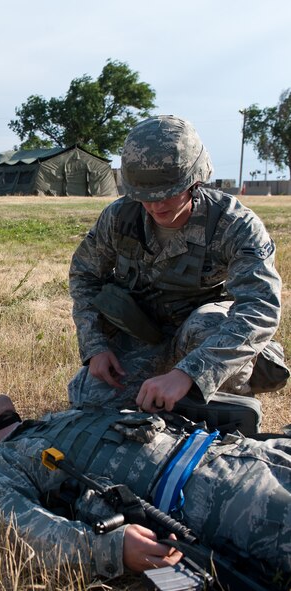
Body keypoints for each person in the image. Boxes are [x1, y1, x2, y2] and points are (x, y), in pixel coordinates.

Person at [0, 386, 291, 584]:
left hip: (246, 451)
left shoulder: (58, 418)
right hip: (227, 498)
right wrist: (109, 548)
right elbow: (19, 527)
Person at [68, 115, 288, 414]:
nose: (156, 206)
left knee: (206, 326)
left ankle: (240, 380)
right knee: (91, 401)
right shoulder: (120, 217)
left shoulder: (234, 225)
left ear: (196, 180)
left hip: (203, 336)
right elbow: (85, 275)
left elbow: (259, 307)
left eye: (169, 193)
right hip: (143, 333)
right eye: (145, 196)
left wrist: (191, 373)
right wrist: (96, 346)